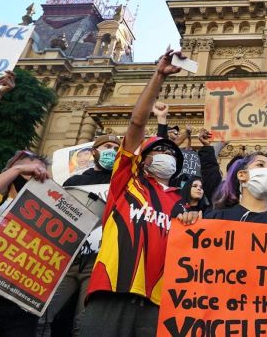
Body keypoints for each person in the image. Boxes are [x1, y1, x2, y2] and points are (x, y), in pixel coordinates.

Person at [80, 49, 200, 337]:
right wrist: (158, 76)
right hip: (111, 289)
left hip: (158, 301)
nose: (165, 155)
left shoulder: (179, 202)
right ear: (142, 159)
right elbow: (136, 123)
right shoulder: (127, 180)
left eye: (171, 153)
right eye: (157, 150)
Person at [36, 135, 121, 337]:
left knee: (83, 324)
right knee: (42, 314)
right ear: (94, 152)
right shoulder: (74, 181)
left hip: (98, 262)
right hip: (67, 259)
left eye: (116, 148)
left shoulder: (121, 182)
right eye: (107, 146)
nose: (112, 150)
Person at [0, 150, 48, 336]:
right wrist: (18, 169)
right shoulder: (1, 199)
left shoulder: (48, 211)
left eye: (41, 174)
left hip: (23, 300)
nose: (36, 177)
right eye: (31, 172)